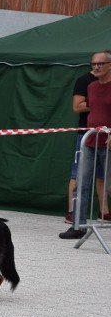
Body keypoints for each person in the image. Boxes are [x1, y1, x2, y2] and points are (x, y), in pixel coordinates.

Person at [60, 50, 111, 239]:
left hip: (109, 142)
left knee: (108, 184)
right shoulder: (91, 87)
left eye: (101, 64)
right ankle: (78, 226)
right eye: (94, 64)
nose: (96, 67)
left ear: (110, 66)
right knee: (81, 184)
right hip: (89, 141)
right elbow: (86, 110)